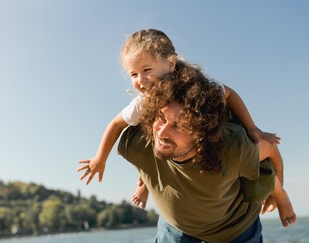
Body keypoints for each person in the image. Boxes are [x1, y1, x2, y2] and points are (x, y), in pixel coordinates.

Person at [77, 29, 294, 226]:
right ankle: (143, 185)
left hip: (218, 125)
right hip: (170, 149)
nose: (140, 80)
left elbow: (230, 95)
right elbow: (115, 125)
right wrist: (100, 158)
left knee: (256, 172)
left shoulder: (201, 89)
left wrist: (251, 127)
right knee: (154, 135)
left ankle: (281, 196)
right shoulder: (144, 102)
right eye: (133, 74)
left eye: (146, 70)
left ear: (171, 64)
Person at [80, 63, 294, 243]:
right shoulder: (137, 144)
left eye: (178, 126)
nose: (162, 132)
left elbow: (270, 150)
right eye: (161, 118)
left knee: (259, 173)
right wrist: (115, 168)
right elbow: (119, 127)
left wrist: (281, 194)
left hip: (235, 238)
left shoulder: (231, 147)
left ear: (201, 132)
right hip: (174, 239)